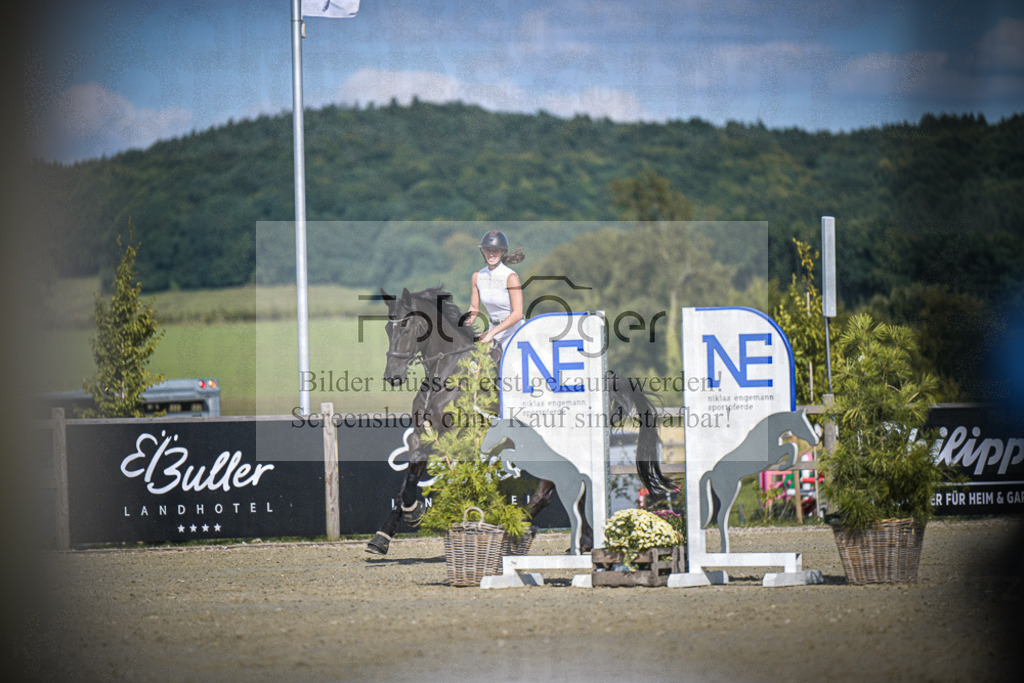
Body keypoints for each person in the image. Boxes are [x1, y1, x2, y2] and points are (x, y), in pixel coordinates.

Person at [467, 230, 524, 351]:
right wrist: (460, 325)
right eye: (488, 250)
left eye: (495, 250)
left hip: (513, 331)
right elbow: (473, 309)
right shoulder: (477, 276)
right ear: (483, 251)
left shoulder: (511, 277)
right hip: (493, 329)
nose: (491, 254)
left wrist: (492, 333)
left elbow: (518, 314)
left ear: (503, 252)